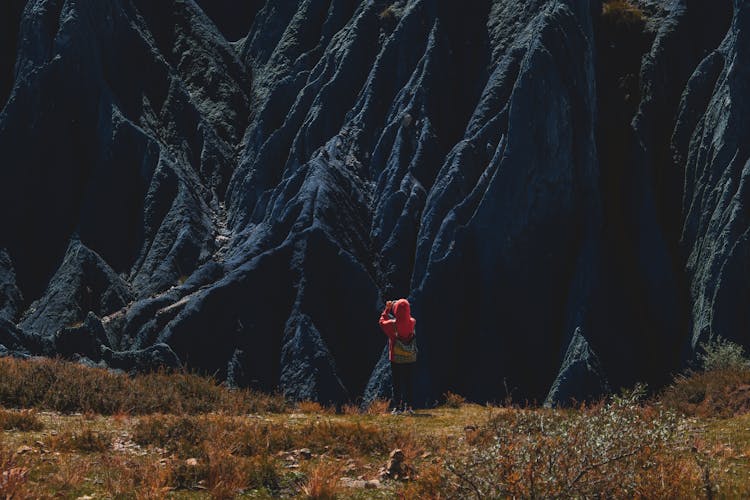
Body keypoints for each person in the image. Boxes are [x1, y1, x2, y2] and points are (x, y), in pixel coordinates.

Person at [379, 298, 417, 414]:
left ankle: (398, 407)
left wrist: (387, 309)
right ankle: (409, 407)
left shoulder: (392, 324)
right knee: (409, 381)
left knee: (397, 383)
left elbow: (381, 321)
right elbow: (405, 315)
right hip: (410, 357)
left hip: (396, 358)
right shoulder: (412, 322)